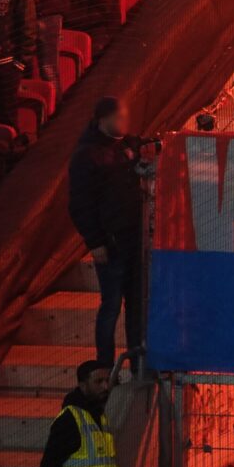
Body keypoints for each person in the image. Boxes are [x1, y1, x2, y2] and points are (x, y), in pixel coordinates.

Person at [68, 97, 146, 366]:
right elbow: (79, 204)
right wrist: (95, 242)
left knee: (135, 304)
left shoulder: (126, 146)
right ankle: (104, 366)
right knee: (111, 306)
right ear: (103, 119)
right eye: (119, 117)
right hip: (111, 243)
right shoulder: (86, 156)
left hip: (134, 239)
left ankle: (137, 362)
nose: (125, 121)